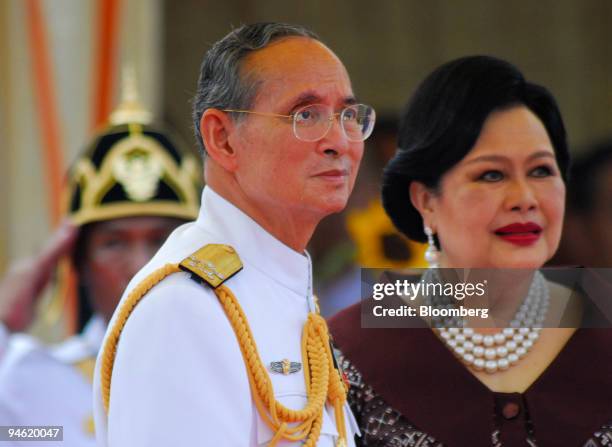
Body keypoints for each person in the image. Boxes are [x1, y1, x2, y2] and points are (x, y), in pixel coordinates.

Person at [92, 22, 375, 447]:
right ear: (222, 139)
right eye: (306, 115)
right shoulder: (185, 307)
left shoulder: (277, 285)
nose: (339, 140)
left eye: (348, 116)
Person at [329, 56, 612, 446]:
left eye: (541, 170)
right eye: (491, 174)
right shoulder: (347, 349)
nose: (525, 198)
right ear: (426, 200)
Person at [0, 78, 200, 446]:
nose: (142, 265)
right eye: (113, 244)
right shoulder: (39, 387)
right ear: (78, 262)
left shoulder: (227, 369)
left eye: (160, 240)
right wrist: (4, 320)